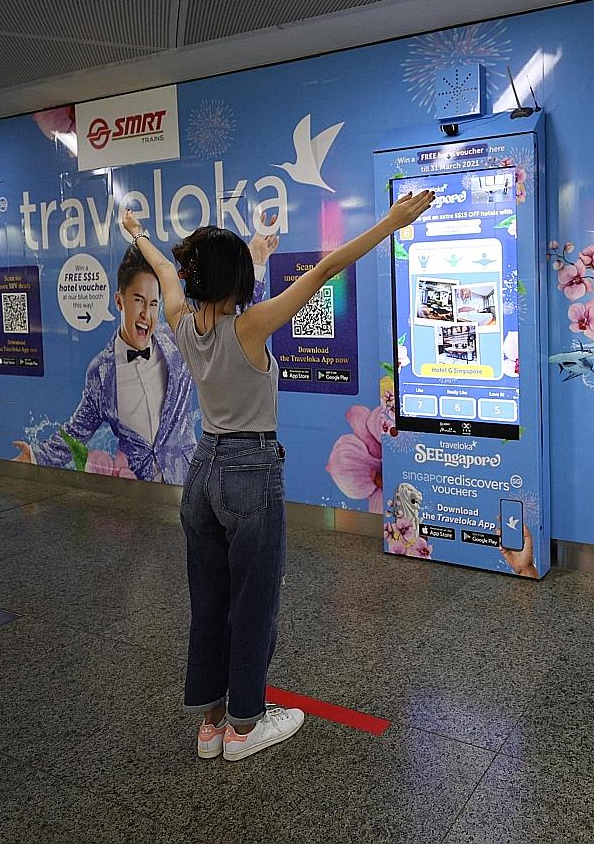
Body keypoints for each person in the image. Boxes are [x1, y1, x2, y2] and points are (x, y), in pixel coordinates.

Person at [121, 189, 434, 762]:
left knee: (209, 600)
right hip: (250, 470)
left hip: (202, 471)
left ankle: (210, 725)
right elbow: (327, 269)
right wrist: (392, 221)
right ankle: (245, 728)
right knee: (254, 601)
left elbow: (163, 268)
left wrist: (137, 233)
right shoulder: (250, 327)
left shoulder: (181, 320)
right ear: (238, 281)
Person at [14, 236, 276, 481]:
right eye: (139, 301)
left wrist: (255, 264)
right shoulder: (101, 372)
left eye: (153, 303)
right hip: (137, 489)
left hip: (187, 481)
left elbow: (234, 329)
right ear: (120, 301)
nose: (146, 314)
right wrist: (35, 456)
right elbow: (77, 431)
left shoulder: (176, 339)